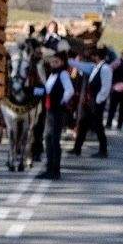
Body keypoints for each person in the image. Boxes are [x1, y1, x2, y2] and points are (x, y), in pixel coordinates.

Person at [36, 51, 75, 180]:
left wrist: (61, 102)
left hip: (57, 111)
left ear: (62, 62)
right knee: (48, 138)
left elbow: (70, 90)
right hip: (49, 110)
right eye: (52, 61)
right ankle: (49, 167)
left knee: (54, 140)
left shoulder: (63, 73)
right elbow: (47, 90)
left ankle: (55, 170)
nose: (53, 64)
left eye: (56, 62)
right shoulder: (53, 74)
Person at [72, 46, 112, 156]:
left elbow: (105, 87)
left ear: (97, 57)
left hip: (96, 102)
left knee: (98, 126)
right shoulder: (95, 67)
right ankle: (77, 148)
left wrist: (98, 100)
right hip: (89, 102)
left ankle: (103, 150)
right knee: (83, 123)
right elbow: (79, 66)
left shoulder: (105, 69)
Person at [106, 49, 123, 131]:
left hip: (116, 88)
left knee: (113, 107)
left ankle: (109, 123)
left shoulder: (117, 62)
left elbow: (109, 69)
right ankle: (119, 124)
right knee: (122, 108)